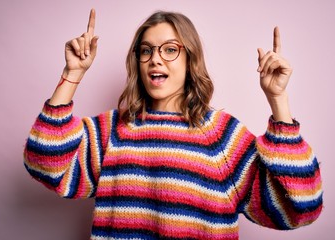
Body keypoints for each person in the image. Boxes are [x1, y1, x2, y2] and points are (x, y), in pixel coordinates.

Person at [23, 8, 323, 239]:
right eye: (146, 50)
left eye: (169, 49)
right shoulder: (112, 132)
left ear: (190, 60)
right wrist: (72, 75)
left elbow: (300, 208)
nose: (155, 59)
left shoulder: (221, 137)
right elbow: (45, 164)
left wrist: (278, 99)